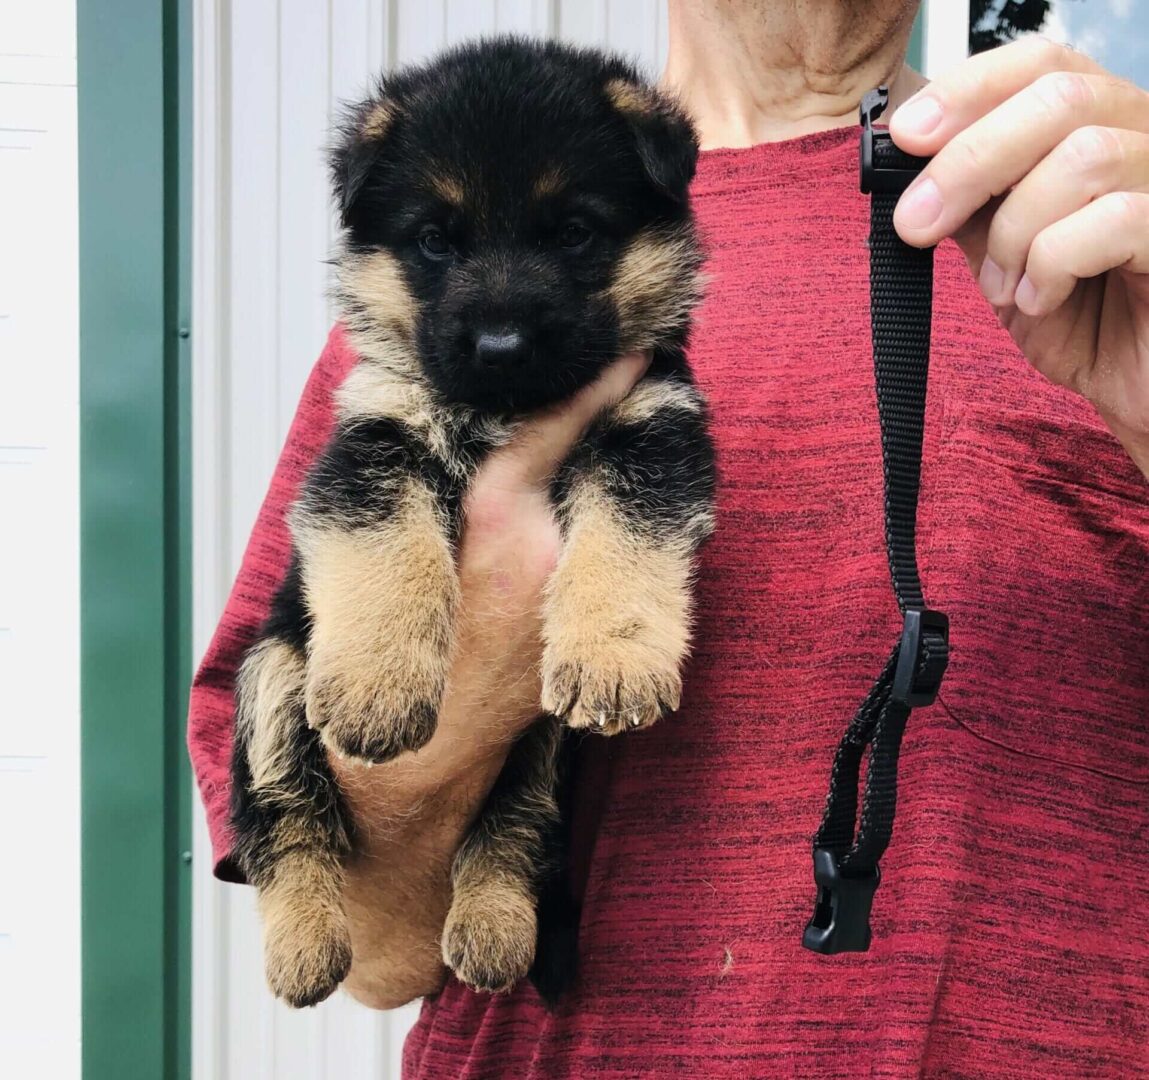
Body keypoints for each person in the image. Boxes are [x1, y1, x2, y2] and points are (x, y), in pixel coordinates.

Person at [189, 2, 1149, 1075]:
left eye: (571, 236)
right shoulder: (417, 343)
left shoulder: (1097, 230)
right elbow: (373, 957)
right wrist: (478, 672)